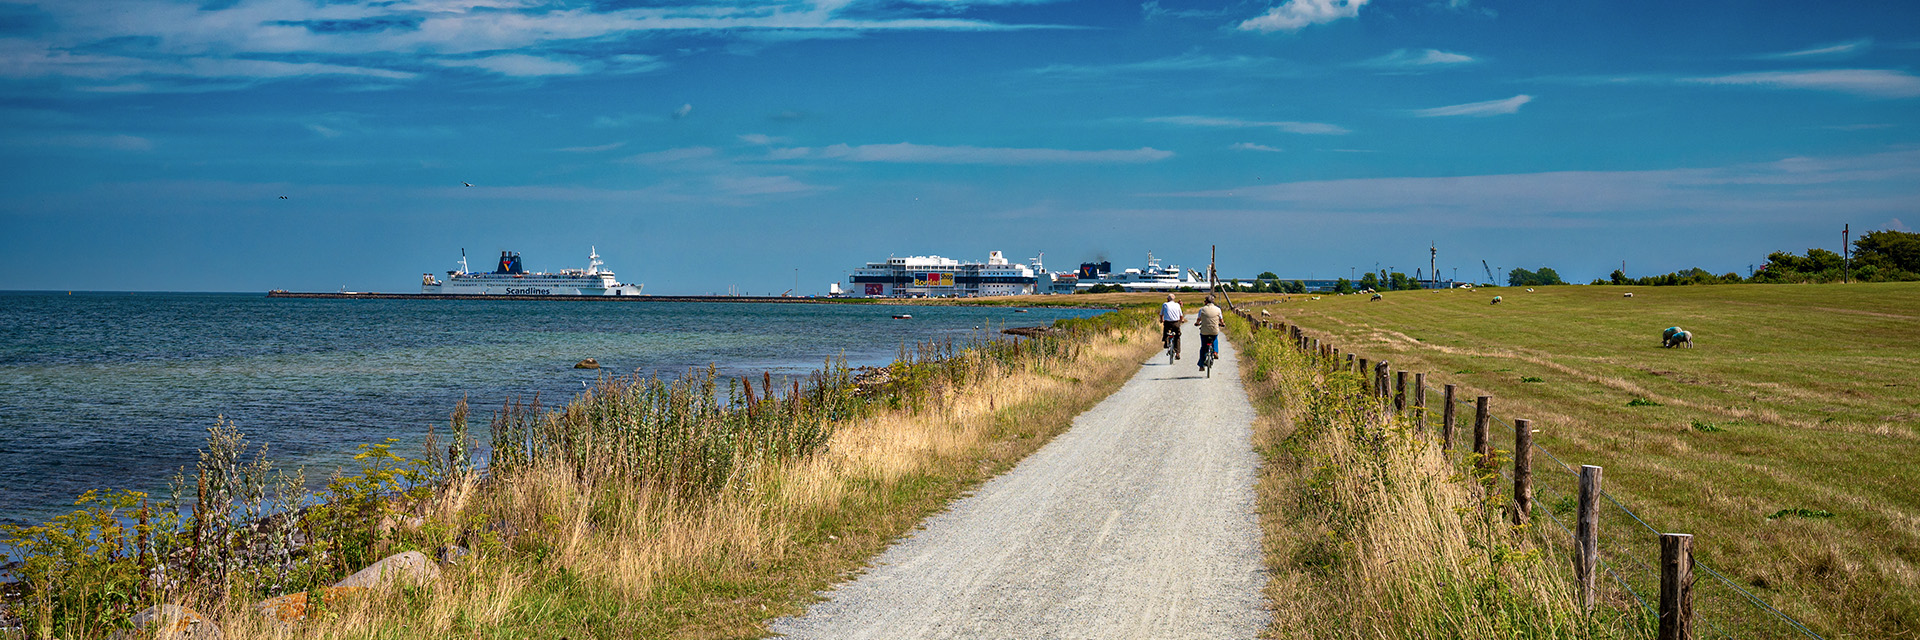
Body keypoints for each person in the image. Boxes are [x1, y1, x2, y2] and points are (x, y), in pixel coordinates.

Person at [1193, 295, 1224, 368]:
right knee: (1215, 338)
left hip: (1204, 331)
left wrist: (1197, 323)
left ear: (1206, 302)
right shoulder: (1218, 309)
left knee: (1203, 347)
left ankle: (1201, 365)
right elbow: (1221, 320)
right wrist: (1222, 324)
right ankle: (1215, 352)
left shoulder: (1202, 309)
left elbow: (1198, 319)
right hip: (1214, 330)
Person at [1159, 293, 1184, 358]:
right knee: (1177, 336)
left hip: (1167, 322)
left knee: (1166, 331)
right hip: (1176, 323)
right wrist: (1182, 320)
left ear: (1167, 299)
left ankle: (1165, 342)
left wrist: (1162, 320)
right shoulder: (1177, 305)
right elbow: (1181, 315)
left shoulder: (1165, 304)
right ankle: (1177, 353)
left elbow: (1161, 314)